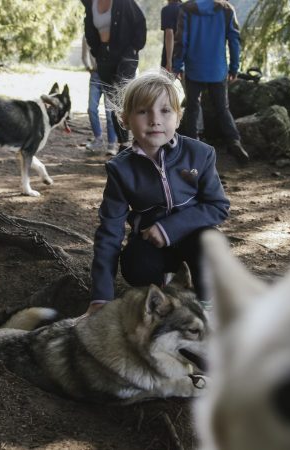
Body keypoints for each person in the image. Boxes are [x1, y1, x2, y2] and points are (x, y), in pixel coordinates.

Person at [87, 71, 230, 315]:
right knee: (135, 265)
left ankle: (207, 306)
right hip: (149, 244)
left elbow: (218, 206)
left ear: (179, 116)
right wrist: (101, 295)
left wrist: (169, 229)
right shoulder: (120, 169)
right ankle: (165, 293)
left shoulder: (200, 154)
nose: (155, 120)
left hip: (193, 239)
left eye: (165, 111)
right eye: (143, 111)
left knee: (211, 245)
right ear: (124, 119)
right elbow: (110, 232)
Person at [173, 0, 250, 164]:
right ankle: (234, 141)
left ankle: (193, 148)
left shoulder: (186, 9)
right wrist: (234, 67)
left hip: (194, 68)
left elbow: (181, 40)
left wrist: (177, 65)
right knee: (222, 108)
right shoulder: (226, 9)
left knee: (193, 107)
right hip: (218, 69)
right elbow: (234, 40)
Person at [82, 0, 147, 154]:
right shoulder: (91, 4)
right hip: (104, 56)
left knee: (121, 97)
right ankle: (124, 144)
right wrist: (97, 52)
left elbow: (140, 22)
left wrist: (134, 49)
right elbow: (89, 30)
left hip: (126, 55)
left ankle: (140, 140)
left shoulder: (123, 2)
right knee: (112, 105)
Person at [82, 37, 118, 153]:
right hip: (95, 75)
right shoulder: (87, 36)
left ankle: (112, 144)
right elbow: (84, 56)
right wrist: (89, 67)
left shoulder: (112, 31)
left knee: (109, 112)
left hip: (110, 76)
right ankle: (98, 139)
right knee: (91, 109)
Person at [160, 0, 182, 72]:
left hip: (172, 55)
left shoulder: (167, 10)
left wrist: (169, 61)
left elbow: (169, 33)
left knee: (165, 82)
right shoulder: (186, 9)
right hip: (186, 55)